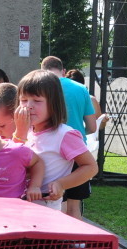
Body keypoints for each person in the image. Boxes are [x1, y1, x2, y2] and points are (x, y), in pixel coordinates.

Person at [14, 70, 97, 212]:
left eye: (37, 101)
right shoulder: (23, 130)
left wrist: (61, 184)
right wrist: (20, 133)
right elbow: (12, 163)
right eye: (24, 100)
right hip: (17, 206)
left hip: (44, 210)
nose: (28, 105)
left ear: (53, 104)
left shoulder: (64, 134)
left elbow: (91, 167)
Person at [41, 56, 96, 219]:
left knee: (58, 203)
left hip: (52, 153)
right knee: (74, 205)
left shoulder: (41, 88)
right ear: (63, 71)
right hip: (79, 153)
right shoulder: (81, 88)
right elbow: (92, 127)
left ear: (42, 70)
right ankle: (75, 236)